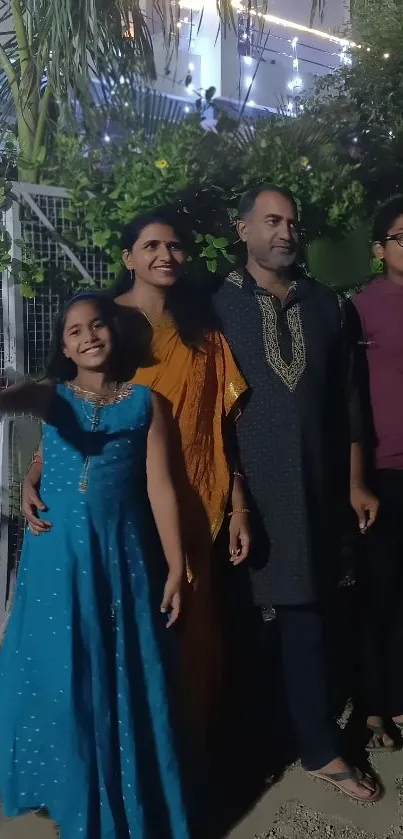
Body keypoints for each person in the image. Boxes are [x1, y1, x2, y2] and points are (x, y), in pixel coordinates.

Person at [21, 212, 250, 741]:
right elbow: (66, 405)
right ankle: (99, 750)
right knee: (105, 630)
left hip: (186, 495)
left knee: (179, 618)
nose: (164, 255)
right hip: (109, 507)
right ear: (127, 258)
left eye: (174, 246)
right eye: (150, 246)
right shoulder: (101, 325)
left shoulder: (204, 336)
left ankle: (176, 748)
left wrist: (238, 505)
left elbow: (219, 428)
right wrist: (37, 470)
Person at [0, 293, 191, 838]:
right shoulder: (54, 397)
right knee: (58, 673)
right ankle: (66, 787)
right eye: (74, 331)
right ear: (63, 346)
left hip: (118, 557)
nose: (88, 336)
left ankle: (118, 799)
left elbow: (161, 487)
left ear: (113, 332)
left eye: (97, 325)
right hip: (55, 558)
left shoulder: (146, 403)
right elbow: (24, 401)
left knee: (114, 669)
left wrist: (176, 565)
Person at [213, 184, 380, 802]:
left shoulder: (329, 306)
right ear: (242, 230)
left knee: (311, 614)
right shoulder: (214, 307)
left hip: (314, 486)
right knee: (244, 621)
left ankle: (318, 747)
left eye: (291, 222)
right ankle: (249, 741)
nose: (284, 232)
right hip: (243, 490)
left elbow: (350, 402)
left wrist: (356, 480)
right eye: (271, 221)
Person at [351, 196, 403, 752]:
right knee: (378, 595)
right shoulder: (359, 309)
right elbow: (346, 400)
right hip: (384, 472)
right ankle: (372, 707)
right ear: (378, 249)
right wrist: (356, 475)